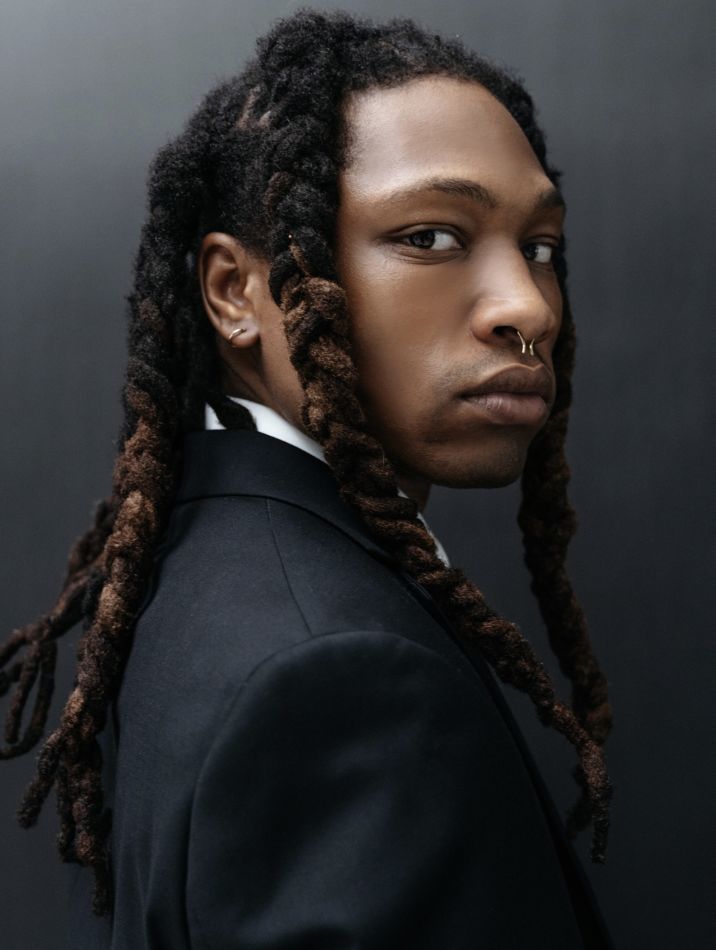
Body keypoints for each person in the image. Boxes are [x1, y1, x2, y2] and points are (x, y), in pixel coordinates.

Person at [0, 8, 614, 948]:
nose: (527, 308)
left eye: (540, 248)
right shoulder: (342, 676)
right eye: (431, 236)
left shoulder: (199, 564)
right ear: (235, 292)